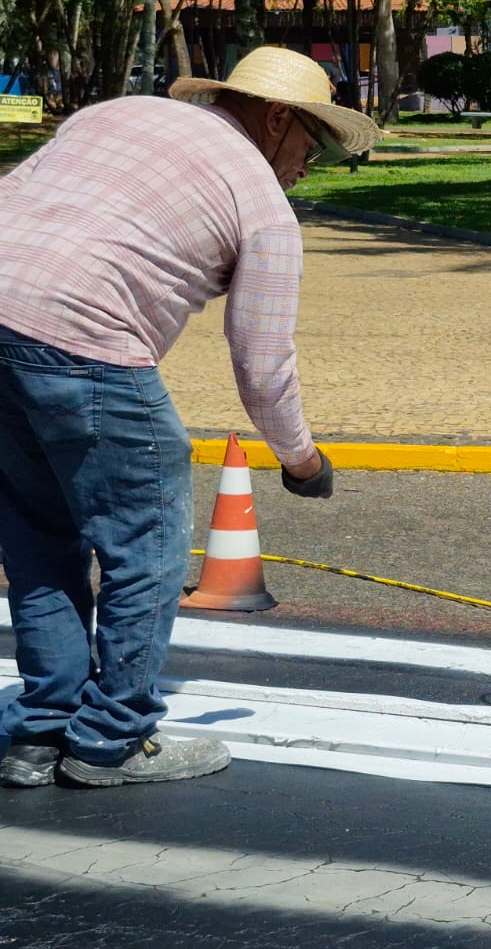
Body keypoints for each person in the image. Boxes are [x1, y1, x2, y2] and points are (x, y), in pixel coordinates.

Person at [0, 46, 380, 788]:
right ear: (277, 119)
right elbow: (261, 362)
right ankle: (111, 738)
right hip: (88, 341)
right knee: (147, 546)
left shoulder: (116, 113)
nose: (311, 163)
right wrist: (303, 461)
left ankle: (39, 732)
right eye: (314, 142)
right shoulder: (263, 206)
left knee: (37, 534)